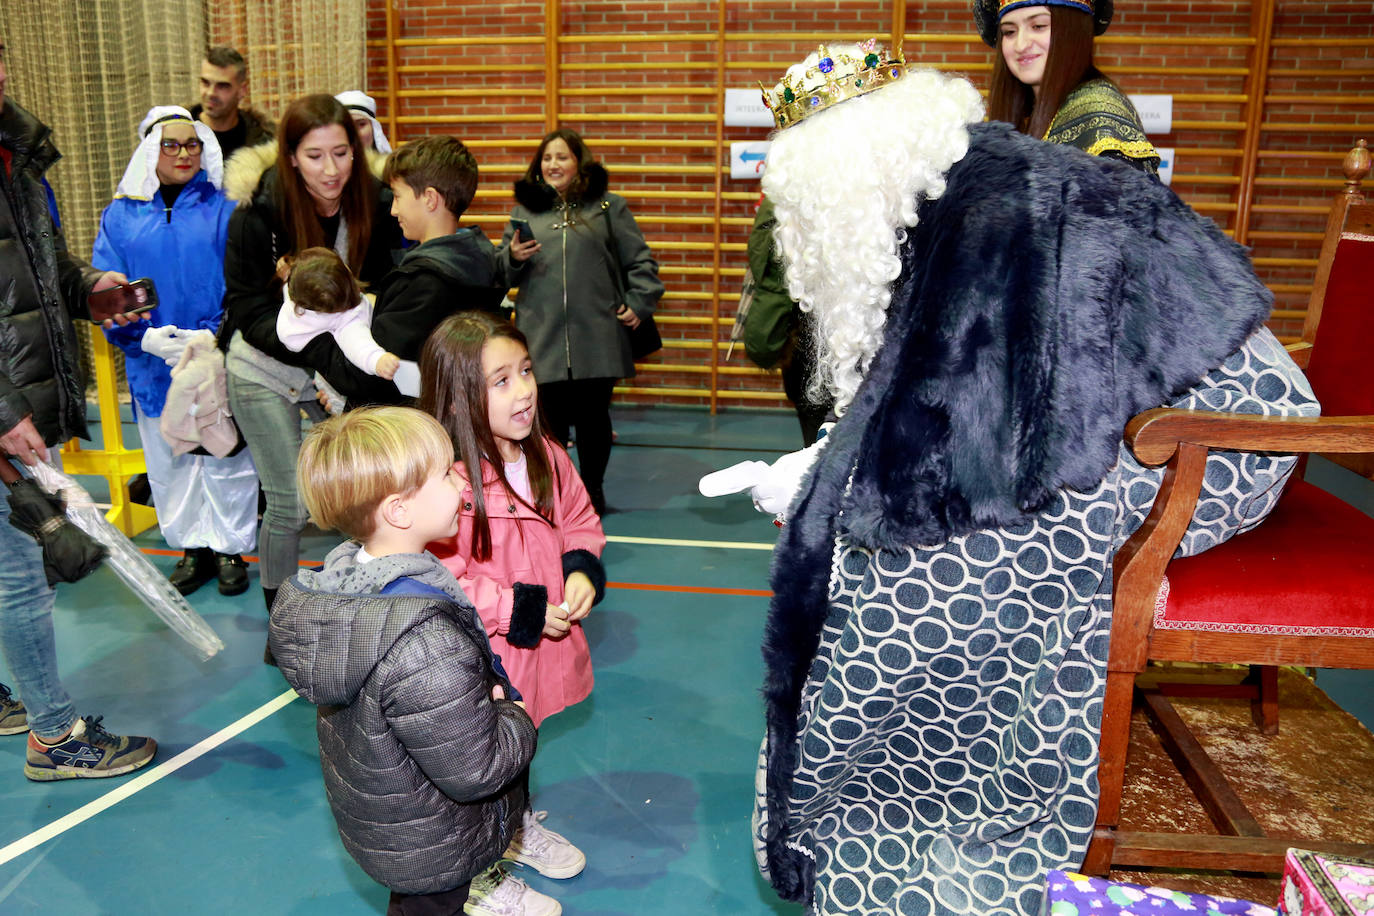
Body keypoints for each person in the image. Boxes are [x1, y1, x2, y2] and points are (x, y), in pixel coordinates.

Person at [731, 43, 1319, 915]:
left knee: (917, 586)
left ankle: (911, 841)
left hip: (1214, 447)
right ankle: (864, 824)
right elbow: (943, 411)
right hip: (1139, 440)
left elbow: (969, 448)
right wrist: (826, 464)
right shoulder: (945, 202)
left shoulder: (999, 212)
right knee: (870, 546)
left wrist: (846, 494)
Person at [267, 406, 556, 916]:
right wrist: (513, 714)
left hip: (394, 810)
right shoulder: (423, 639)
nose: (461, 484)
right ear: (399, 511)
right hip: (432, 832)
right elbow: (477, 768)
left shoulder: (351, 579)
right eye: (445, 474)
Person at [0, 38, 158, 779]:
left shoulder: (17, 154)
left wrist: (91, 287)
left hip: (21, 393)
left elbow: (39, 266)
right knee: (23, 577)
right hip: (5, 410)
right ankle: (55, 738)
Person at [421, 312, 602, 888]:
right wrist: (514, 609)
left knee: (521, 744)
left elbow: (579, 520)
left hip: (539, 648)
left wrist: (581, 570)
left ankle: (515, 823)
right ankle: (481, 871)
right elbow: (440, 577)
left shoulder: (548, 454)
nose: (523, 390)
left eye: (525, 371)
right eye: (501, 380)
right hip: (485, 659)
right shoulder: (449, 483)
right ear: (457, 399)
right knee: (483, 762)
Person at [220, 92, 403, 634]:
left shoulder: (374, 199)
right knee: (291, 507)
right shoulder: (257, 214)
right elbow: (247, 311)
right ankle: (283, 618)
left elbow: (388, 288)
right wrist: (328, 356)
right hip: (263, 367)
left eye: (342, 153)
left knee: (360, 489)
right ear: (291, 157)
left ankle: (359, 592)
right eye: (316, 156)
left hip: (332, 364)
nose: (332, 169)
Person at [93, 105, 258, 597]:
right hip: (152, 363)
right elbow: (105, 292)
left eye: (192, 144)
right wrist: (139, 337)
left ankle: (231, 550)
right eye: (172, 144)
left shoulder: (226, 206)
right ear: (149, 152)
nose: (185, 153)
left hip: (217, 356)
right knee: (170, 461)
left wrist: (216, 336)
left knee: (226, 454)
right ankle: (194, 549)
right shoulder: (120, 216)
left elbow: (245, 279)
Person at [502, 128, 664, 515]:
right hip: (541, 338)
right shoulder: (524, 213)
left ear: (579, 163)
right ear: (538, 166)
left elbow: (642, 263)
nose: (553, 164)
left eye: (562, 157)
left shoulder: (609, 208)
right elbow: (502, 272)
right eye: (547, 158)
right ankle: (559, 494)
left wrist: (638, 302)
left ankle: (592, 491)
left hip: (598, 336)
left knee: (594, 421)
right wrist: (511, 258)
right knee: (550, 424)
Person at [300, 135, 514, 409]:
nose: (393, 209)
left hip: (407, 433)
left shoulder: (426, 283)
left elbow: (373, 377)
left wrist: (312, 338)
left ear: (429, 199)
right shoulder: (477, 261)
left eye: (398, 197)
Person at [976, 0, 1160, 174]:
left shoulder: (1099, 116)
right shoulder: (1027, 112)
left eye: (1038, 26)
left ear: (1073, 30)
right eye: (1009, 32)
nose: (1021, 44)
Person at [742, 195, 830, 446]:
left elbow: (762, 263)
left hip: (797, 326)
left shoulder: (779, 196)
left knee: (812, 413)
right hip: (812, 329)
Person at [277, 246, 402, 386]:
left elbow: (294, 286)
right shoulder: (344, 319)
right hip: (338, 378)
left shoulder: (298, 299)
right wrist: (378, 360)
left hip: (321, 369)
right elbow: (357, 344)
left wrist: (288, 273)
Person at [190, 45, 275, 163]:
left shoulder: (263, 144)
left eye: (222, 86)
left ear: (242, 90)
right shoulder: (174, 134)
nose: (210, 93)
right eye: (205, 83)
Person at [334, 90, 392, 154]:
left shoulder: (386, 163)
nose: (355, 134)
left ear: (373, 128)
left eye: (361, 124)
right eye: (347, 125)